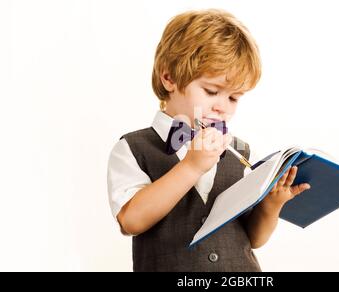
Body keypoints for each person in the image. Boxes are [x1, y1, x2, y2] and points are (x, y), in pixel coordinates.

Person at [107, 9, 311, 272]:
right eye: (211, 91)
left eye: (233, 98)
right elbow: (131, 221)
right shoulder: (133, 148)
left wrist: (272, 204)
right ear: (169, 78)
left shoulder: (240, 150)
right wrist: (191, 166)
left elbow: (253, 238)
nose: (221, 107)